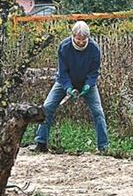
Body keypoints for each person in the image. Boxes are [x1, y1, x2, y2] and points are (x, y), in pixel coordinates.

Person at [33, 21, 109, 153]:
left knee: (98, 112)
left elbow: (94, 72)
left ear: (88, 38)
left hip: (86, 83)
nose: (80, 42)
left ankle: (103, 146)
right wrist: (68, 87)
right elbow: (63, 72)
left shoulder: (94, 48)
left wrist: (87, 85)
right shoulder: (64, 46)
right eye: (78, 39)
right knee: (47, 107)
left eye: (83, 39)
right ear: (73, 36)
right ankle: (41, 141)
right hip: (65, 81)